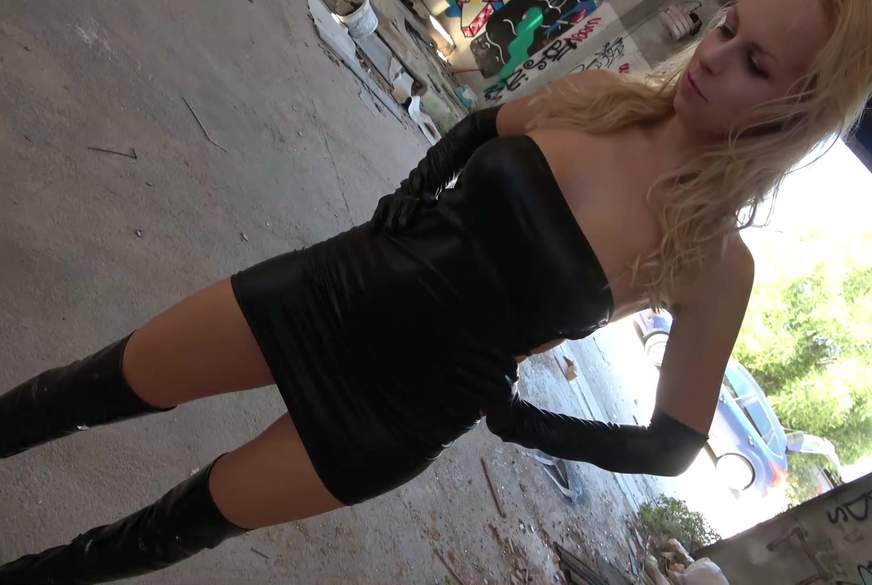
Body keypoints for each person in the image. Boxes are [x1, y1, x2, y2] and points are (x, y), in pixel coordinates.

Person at [1, 0, 869, 581]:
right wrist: (411, 192)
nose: (713, 57)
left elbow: (673, 445)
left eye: (755, 63)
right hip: (333, 288)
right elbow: (484, 125)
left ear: (792, 115)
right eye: (726, 27)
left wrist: (522, 421)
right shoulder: (605, 99)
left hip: (394, 416)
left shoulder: (713, 262)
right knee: (78, 391)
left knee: (158, 534)